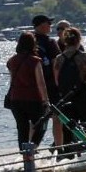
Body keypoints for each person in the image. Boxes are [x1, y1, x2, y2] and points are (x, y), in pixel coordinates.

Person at [52, 26, 86, 142]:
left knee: (68, 128)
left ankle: (69, 154)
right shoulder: (84, 57)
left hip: (67, 97)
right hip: (84, 95)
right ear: (79, 40)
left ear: (65, 41)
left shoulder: (58, 59)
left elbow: (57, 80)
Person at [5, 31, 49, 160]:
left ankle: (24, 155)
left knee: (22, 128)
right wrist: (46, 100)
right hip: (33, 99)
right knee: (41, 124)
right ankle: (32, 148)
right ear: (32, 44)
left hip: (16, 99)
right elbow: (41, 83)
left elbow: (12, 79)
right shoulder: (35, 61)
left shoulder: (12, 61)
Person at [31, 14, 63, 147]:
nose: (51, 26)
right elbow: (56, 65)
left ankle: (30, 147)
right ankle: (60, 147)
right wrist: (59, 84)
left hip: (33, 87)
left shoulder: (28, 41)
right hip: (51, 86)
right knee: (57, 118)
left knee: (35, 120)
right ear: (42, 25)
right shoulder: (50, 43)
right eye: (48, 24)